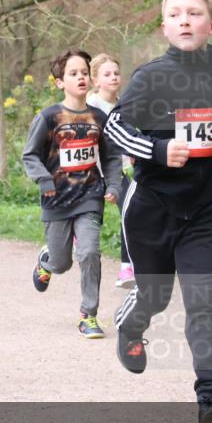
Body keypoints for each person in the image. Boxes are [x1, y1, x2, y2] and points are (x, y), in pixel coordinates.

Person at [104, 0, 212, 423]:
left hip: (203, 209)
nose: (185, 20)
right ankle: (131, 324)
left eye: (194, 13)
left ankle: (211, 398)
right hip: (151, 209)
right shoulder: (150, 77)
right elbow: (114, 129)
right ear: (164, 25)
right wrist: (158, 150)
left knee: (204, 300)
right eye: (176, 13)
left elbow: (210, 119)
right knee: (157, 296)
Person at [22, 49, 122, 339]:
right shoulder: (49, 117)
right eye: (73, 73)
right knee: (62, 263)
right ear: (59, 82)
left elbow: (112, 157)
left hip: (90, 195)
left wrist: (113, 186)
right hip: (56, 198)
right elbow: (30, 155)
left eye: (84, 72)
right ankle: (47, 261)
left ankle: (88, 315)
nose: (81, 77)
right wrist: (44, 180)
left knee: (90, 251)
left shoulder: (99, 117)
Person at [87, 53, 134, 289]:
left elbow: (128, 136)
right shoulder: (89, 106)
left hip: (118, 171)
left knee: (130, 210)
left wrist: (133, 155)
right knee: (90, 218)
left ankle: (127, 267)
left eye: (116, 73)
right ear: (96, 80)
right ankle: (62, 244)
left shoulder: (125, 105)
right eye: (107, 74)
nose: (114, 77)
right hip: (90, 172)